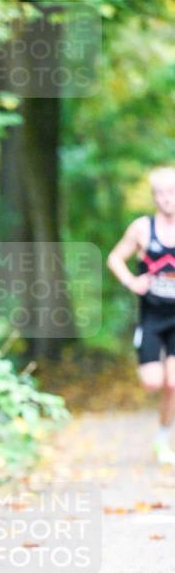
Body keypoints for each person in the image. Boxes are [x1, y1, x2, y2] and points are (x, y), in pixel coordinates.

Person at [107, 166, 175, 464]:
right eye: (159, 194)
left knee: (174, 383)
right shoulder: (142, 229)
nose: (166, 199)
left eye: (171, 193)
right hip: (151, 318)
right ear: (154, 197)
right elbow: (115, 258)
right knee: (153, 382)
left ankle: (163, 437)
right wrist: (132, 282)